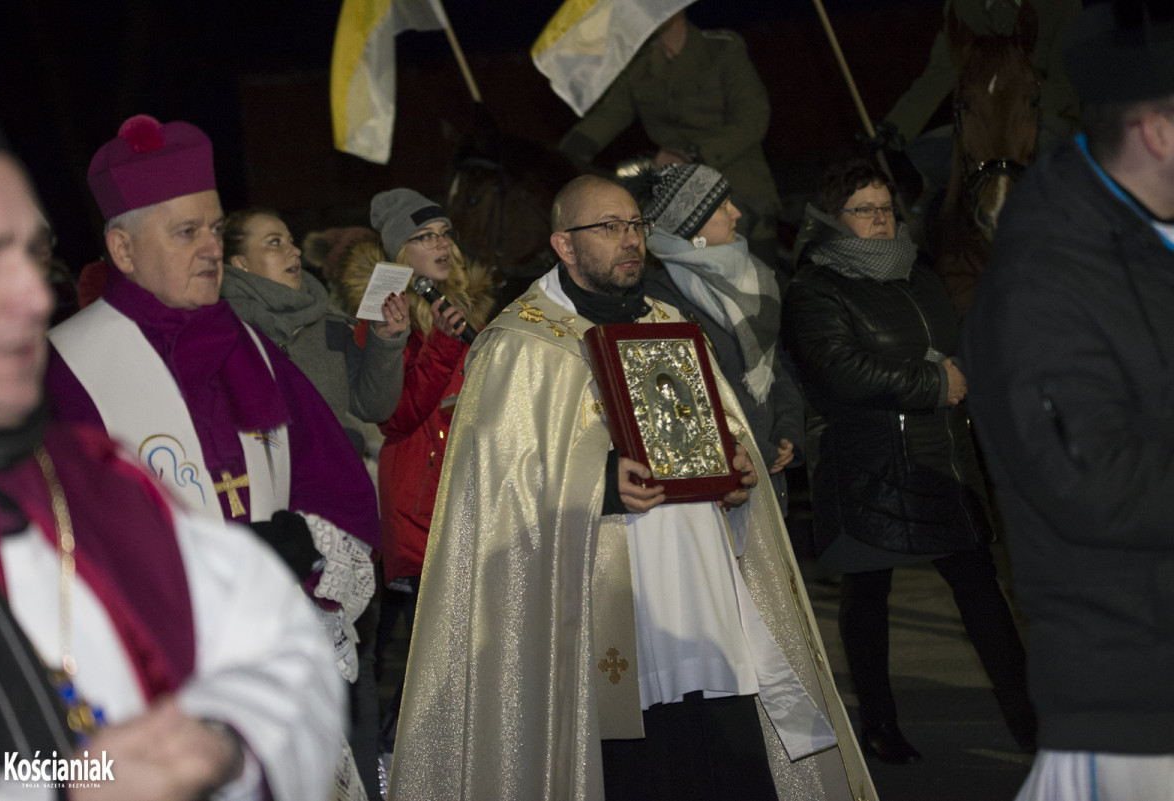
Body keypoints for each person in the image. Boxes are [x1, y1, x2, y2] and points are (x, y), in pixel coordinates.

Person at [387, 175, 875, 801]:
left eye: (636, 226)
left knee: (724, 756)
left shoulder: (671, 322)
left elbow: (717, 431)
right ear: (563, 244)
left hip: (700, 596)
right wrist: (603, 485)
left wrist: (734, 472)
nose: (629, 241)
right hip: (602, 605)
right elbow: (497, 491)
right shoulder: (520, 345)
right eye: (609, 227)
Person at [0, 80, 342, 801]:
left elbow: (279, 657)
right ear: (121, 247)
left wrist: (224, 743)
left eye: (31, 252)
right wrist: (86, 777)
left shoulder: (89, 476)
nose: (31, 292)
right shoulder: (71, 377)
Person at [43, 116, 380, 798]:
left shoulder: (253, 349)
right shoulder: (65, 370)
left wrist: (299, 546)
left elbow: (339, 494)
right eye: (185, 231)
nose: (210, 249)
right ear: (123, 248)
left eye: (215, 229)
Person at [962, 2, 1174, 797]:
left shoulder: (1148, 251)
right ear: (1159, 130)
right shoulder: (1044, 282)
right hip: (1136, 706)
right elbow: (1095, 486)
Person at [782, 158, 1036, 763]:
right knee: (867, 598)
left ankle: (1032, 724)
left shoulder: (917, 275)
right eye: (863, 210)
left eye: (885, 209)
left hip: (939, 463)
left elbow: (954, 344)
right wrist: (929, 382)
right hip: (868, 465)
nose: (879, 221)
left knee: (982, 596)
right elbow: (837, 369)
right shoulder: (815, 288)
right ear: (832, 219)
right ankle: (879, 723)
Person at [337, 189, 495, 741]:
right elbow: (396, 416)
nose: (441, 244)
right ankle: (399, 768)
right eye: (424, 237)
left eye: (445, 233)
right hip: (422, 498)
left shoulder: (466, 308)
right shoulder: (383, 314)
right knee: (417, 672)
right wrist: (444, 347)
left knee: (474, 662)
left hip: (472, 493)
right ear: (397, 253)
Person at [627, 163, 805, 517]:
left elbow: (774, 367)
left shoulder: (754, 276)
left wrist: (788, 431)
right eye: (722, 206)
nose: (737, 211)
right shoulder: (661, 300)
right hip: (718, 492)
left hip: (767, 479)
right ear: (693, 226)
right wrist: (756, 450)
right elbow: (684, 402)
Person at [558, 9, 782, 265]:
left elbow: (752, 119)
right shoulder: (639, 65)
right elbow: (609, 116)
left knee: (734, 260)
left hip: (736, 181)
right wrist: (559, 158)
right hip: (676, 190)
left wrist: (693, 155)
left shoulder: (722, 50)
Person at [220, 207, 409, 451]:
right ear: (241, 263)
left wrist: (384, 341)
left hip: (339, 474)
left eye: (291, 241)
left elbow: (374, 407)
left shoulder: (330, 323)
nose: (295, 251)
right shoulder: (223, 330)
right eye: (275, 242)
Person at [877, 0, 1082, 191]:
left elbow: (1066, 87)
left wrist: (1009, 103)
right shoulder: (962, 5)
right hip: (980, 124)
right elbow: (939, 74)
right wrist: (895, 128)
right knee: (918, 159)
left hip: (1041, 120)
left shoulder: (1062, 5)